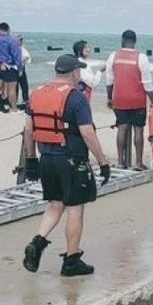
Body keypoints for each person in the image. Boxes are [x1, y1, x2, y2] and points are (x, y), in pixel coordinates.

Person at [21, 55, 112, 277]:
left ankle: (38, 241)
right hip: (72, 160)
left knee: (55, 204)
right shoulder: (77, 98)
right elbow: (87, 132)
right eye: (78, 71)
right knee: (75, 209)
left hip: (47, 158)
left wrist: (31, 160)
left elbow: (28, 130)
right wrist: (102, 161)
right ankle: (71, 260)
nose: (80, 75)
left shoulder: (37, 94)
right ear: (73, 73)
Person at [105, 30, 153, 170]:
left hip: (119, 98)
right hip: (137, 100)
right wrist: (152, 100)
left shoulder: (113, 56)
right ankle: (138, 163)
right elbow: (147, 83)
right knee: (138, 130)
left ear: (122, 40)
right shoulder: (141, 58)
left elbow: (109, 81)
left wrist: (110, 98)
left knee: (122, 128)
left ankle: (121, 162)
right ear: (135, 41)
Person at [0, 22, 23, 113]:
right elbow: (16, 55)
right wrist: (20, 68)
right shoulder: (11, 40)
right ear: (8, 30)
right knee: (12, 88)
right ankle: (13, 108)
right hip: (9, 66)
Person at [17, 34, 32, 106]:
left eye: (21, 40)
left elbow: (27, 57)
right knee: (15, 86)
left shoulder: (22, 49)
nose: (20, 41)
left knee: (24, 86)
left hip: (21, 68)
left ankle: (25, 100)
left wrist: (23, 59)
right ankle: (15, 100)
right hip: (16, 69)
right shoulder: (15, 49)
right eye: (19, 40)